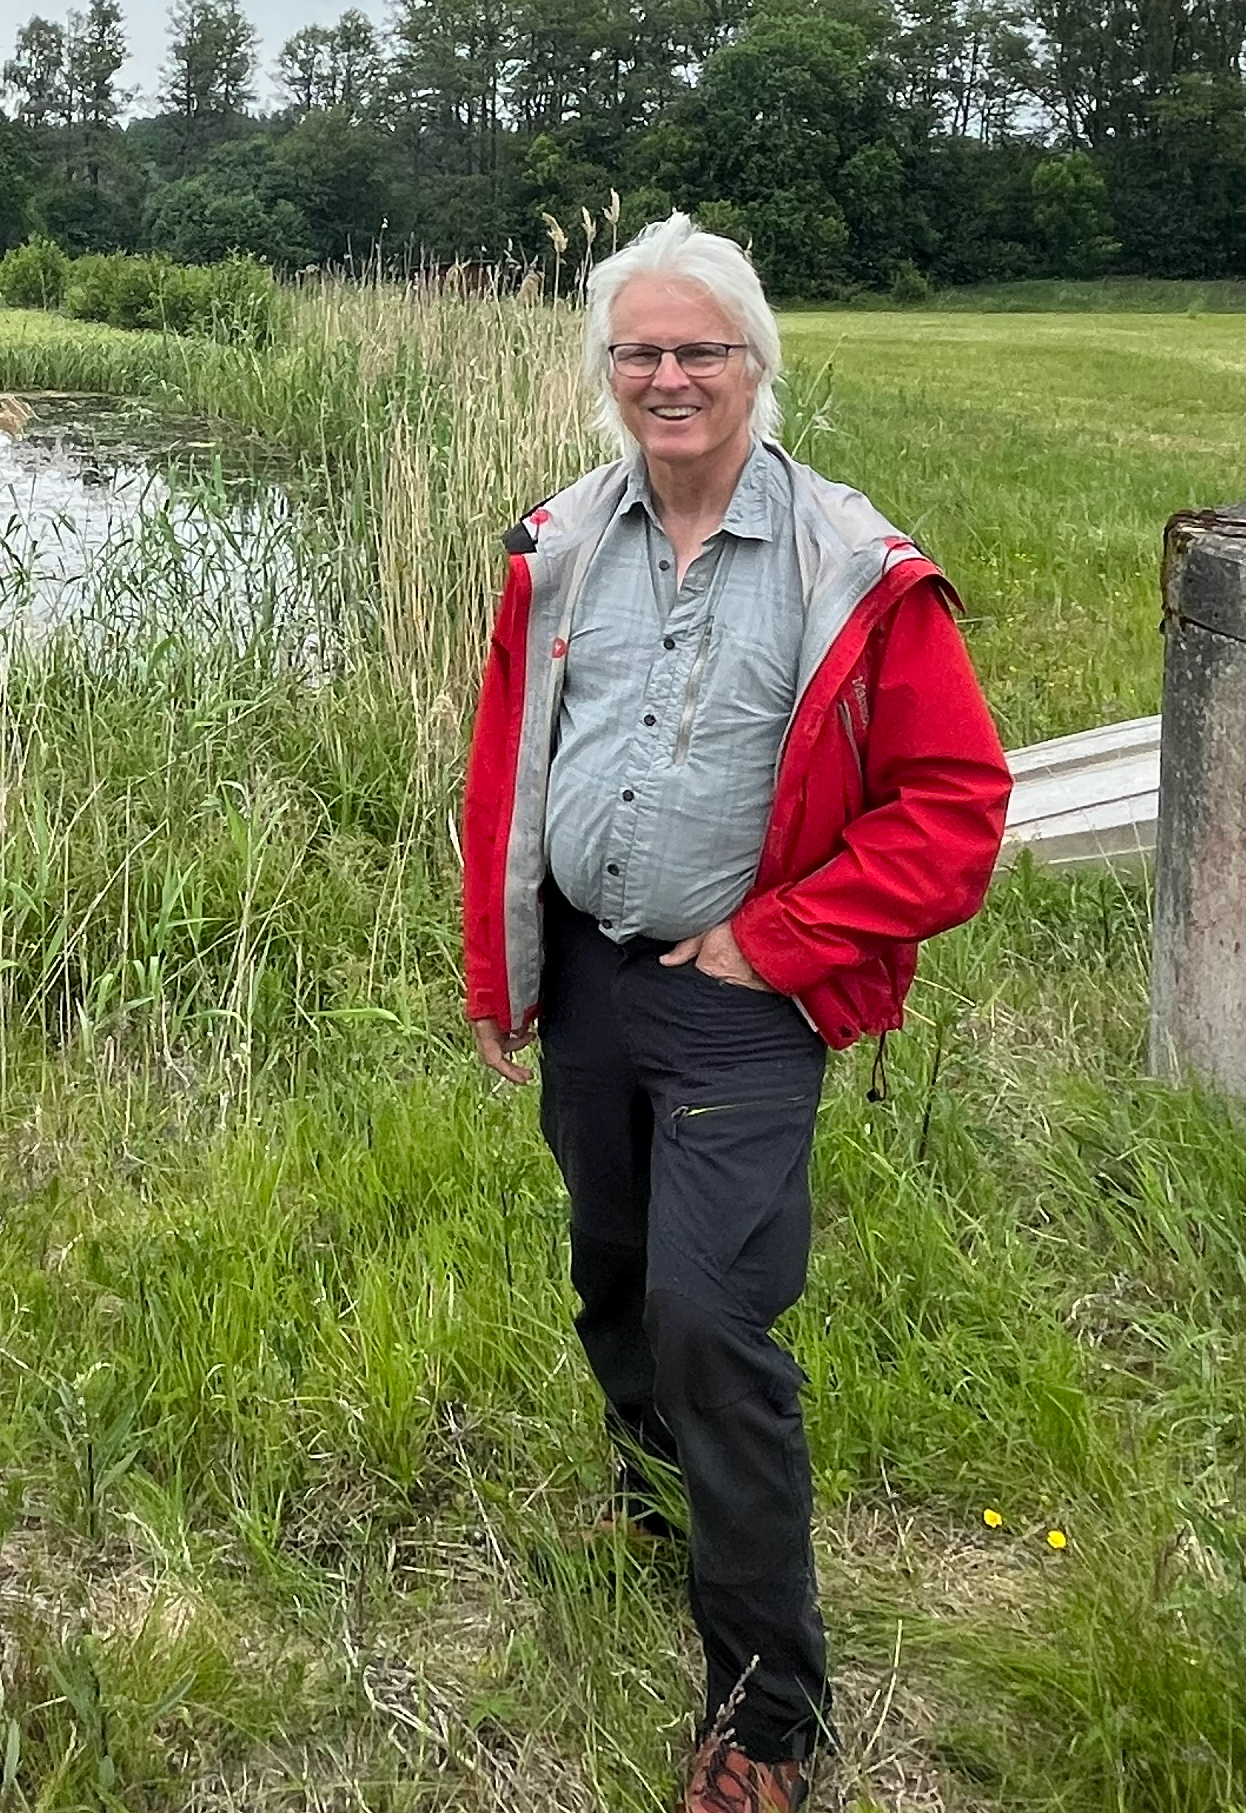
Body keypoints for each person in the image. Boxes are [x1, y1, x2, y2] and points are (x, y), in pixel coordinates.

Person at [458, 215, 1010, 1813]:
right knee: (614, 1273)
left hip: (737, 999)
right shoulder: (559, 543)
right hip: (588, 973)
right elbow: (510, 765)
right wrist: (505, 967)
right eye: (640, 351)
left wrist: (778, 943)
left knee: (717, 1321)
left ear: (758, 364)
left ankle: (766, 1711)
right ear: (606, 374)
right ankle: (649, 1492)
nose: (670, 376)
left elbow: (954, 808)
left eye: (701, 348)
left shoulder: (855, 569)